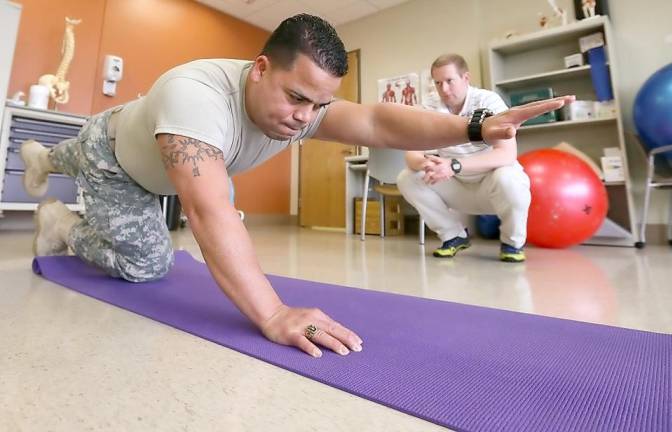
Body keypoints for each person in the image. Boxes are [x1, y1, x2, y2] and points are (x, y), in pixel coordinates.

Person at [20, 15, 573, 358]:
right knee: (147, 262)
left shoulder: (305, 108)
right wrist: (272, 313)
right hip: (117, 157)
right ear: (259, 69)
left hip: (137, 148)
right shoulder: (196, 94)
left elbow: (379, 123)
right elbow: (208, 210)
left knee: (97, 176)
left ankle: (49, 170)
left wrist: (474, 127)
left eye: (319, 104)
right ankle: (61, 220)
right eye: (296, 98)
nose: (305, 117)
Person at [397, 54, 532, 262]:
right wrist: (426, 164)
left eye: (450, 81)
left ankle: (512, 243)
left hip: (492, 184)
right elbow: (411, 154)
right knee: (408, 178)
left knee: (509, 177)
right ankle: (454, 236)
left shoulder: (488, 101)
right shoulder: (430, 107)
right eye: (438, 83)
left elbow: (507, 154)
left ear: (465, 78)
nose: (444, 89)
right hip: (457, 186)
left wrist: (455, 165)